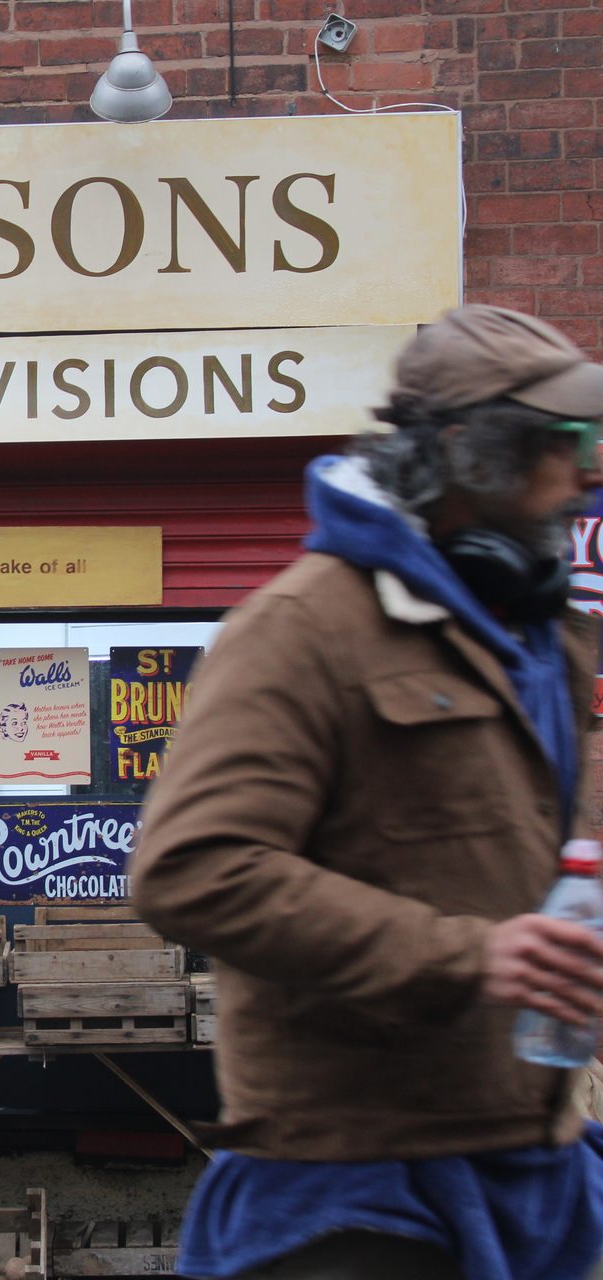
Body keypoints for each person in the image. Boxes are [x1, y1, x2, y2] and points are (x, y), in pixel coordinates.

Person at [132, 305, 603, 1280]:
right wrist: (470, 954)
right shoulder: (303, 627)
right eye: (562, 441)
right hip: (352, 1190)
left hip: (535, 1165)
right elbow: (193, 869)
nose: (586, 472)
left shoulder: (544, 639)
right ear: (467, 451)